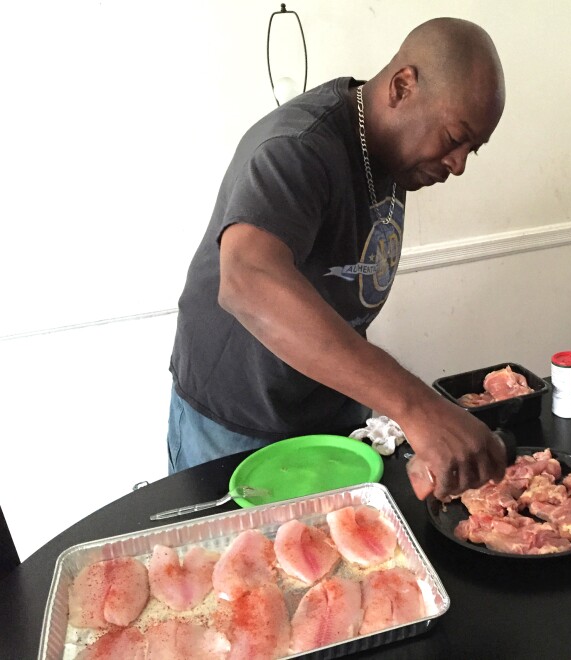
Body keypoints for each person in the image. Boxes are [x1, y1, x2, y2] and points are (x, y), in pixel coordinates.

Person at [167, 17, 507, 499]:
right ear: (403, 87)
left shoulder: (391, 156)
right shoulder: (297, 147)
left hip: (328, 412)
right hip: (234, 424)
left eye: (474, 149)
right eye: (455, 137)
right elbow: (247, 279)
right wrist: (417, 407)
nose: (459, 164)